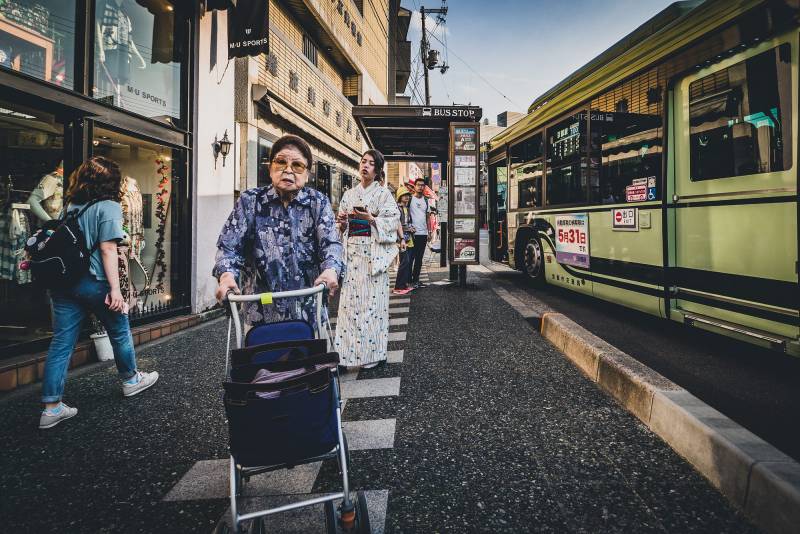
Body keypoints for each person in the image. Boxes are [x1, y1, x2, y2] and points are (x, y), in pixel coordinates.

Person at [39, 157, 158, 429]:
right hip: (95, 281)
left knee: (61, 344)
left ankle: (52, 407)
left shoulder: (72, 206)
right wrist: (116, 289)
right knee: (119, 331)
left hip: (65, 283)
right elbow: (108, 249)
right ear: (111, 182)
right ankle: (131, 380)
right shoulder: (110, 206)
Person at [214, 135, 343, 329]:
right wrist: (226, 276)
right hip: (260, 313)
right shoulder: (250, 201)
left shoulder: (318, 202)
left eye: (298, 165)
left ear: (307, 174)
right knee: (259, 358)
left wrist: (331, 270)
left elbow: (331, 243)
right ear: (270, 168)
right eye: (281, 162)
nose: (288, 170)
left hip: (309, 312)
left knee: (310, 359)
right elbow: (229, 247)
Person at [334, 150, 399, 369]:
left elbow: (392, 221)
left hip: (373, 255)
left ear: (378, 170)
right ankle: (345, 356)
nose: (366, 166)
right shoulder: (349, 194)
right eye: (363, 162)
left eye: (371, 164)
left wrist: (371, 218)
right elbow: (340, 226)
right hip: (352, 253)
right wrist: (342, 223)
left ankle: (373, 354)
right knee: (349, 307)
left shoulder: (383, 194)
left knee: (373, 306)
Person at [408, 178, 432, 288]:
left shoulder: (426, 201)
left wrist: (430, 232)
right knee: (410, 258)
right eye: (418, 185)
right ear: (415, 186)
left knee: (419, 259)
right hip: (412, 233)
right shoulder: (409, 199)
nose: (421, 187)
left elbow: (428, 217)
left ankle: (416, 280)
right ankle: (408, 280)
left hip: (423, 234)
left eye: (423, 185)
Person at [393, 185, 414, 295]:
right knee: (404, 262)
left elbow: (406, 222)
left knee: (407, 262)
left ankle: (404, 284)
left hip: (408, 238)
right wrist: (408, 228)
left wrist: (411, 228)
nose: (407, 197)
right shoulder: (397, 208)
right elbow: (397, 224)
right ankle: (398, 287)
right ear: (399, 196)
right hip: (400, 239)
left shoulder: (407, 208)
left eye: (408, 196)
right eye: (404, 195)